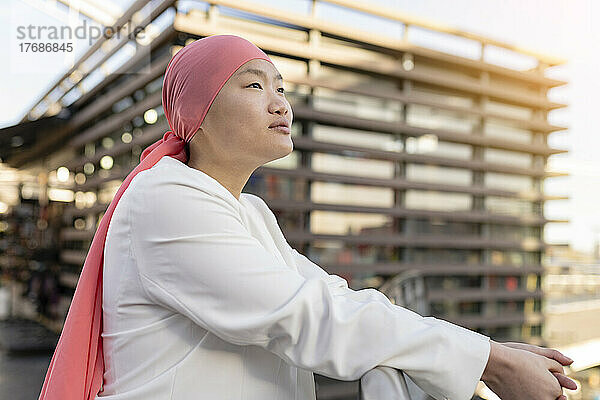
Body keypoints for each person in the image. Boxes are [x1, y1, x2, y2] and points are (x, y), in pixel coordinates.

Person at [38, 34, 577, 400]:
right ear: (195, 113)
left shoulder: (246, 211)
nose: (280, 104)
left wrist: (489, 347)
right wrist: (489, 363)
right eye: (254, 86)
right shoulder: (167, 200)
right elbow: (305, 318)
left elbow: (336, 298)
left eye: (281, 89)